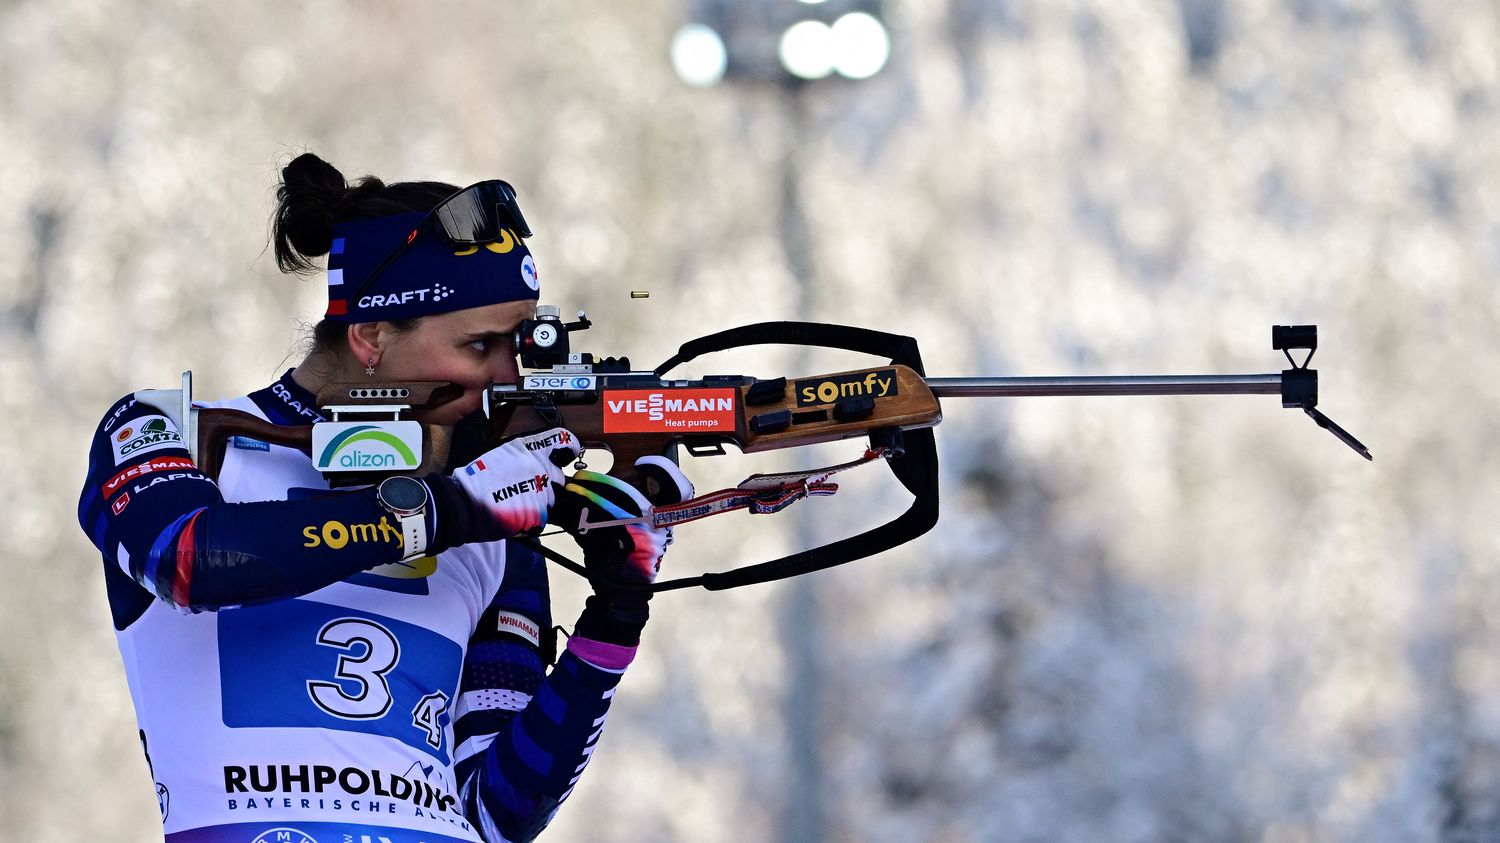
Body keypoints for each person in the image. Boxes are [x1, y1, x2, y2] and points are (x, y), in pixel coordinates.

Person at [76, 153, 691, 843]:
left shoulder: (491, 505)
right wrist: (445, 511)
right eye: (480, 344)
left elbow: (495, 811)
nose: (507, 377)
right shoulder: (167, 429)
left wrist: (615, 615)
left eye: (520, 344)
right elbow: (188, 558)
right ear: (370, 335)